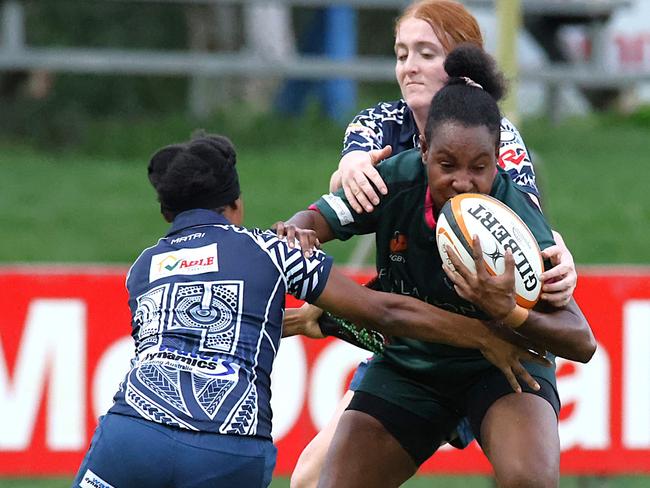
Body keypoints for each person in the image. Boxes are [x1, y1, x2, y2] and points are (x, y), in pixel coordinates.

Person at [71, 133, 548, 488]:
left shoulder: (141, 269)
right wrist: (483, 334)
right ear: (236, 205)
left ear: (166, 215)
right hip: (227, 443)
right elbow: (384, 312)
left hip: (132, 431)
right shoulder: (269, 249)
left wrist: (306, 322)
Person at [279, 44, 596, 487]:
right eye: (447, 164)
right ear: (424, 148)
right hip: (412, 367)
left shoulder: (515, 217)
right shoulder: (394, 180)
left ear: (498, 158)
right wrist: (298, 226)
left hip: (503, 369)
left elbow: (582, 342)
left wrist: (510, 310)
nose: (463, 181)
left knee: (531, 481)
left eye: (480, 167)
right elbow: (317, 218)